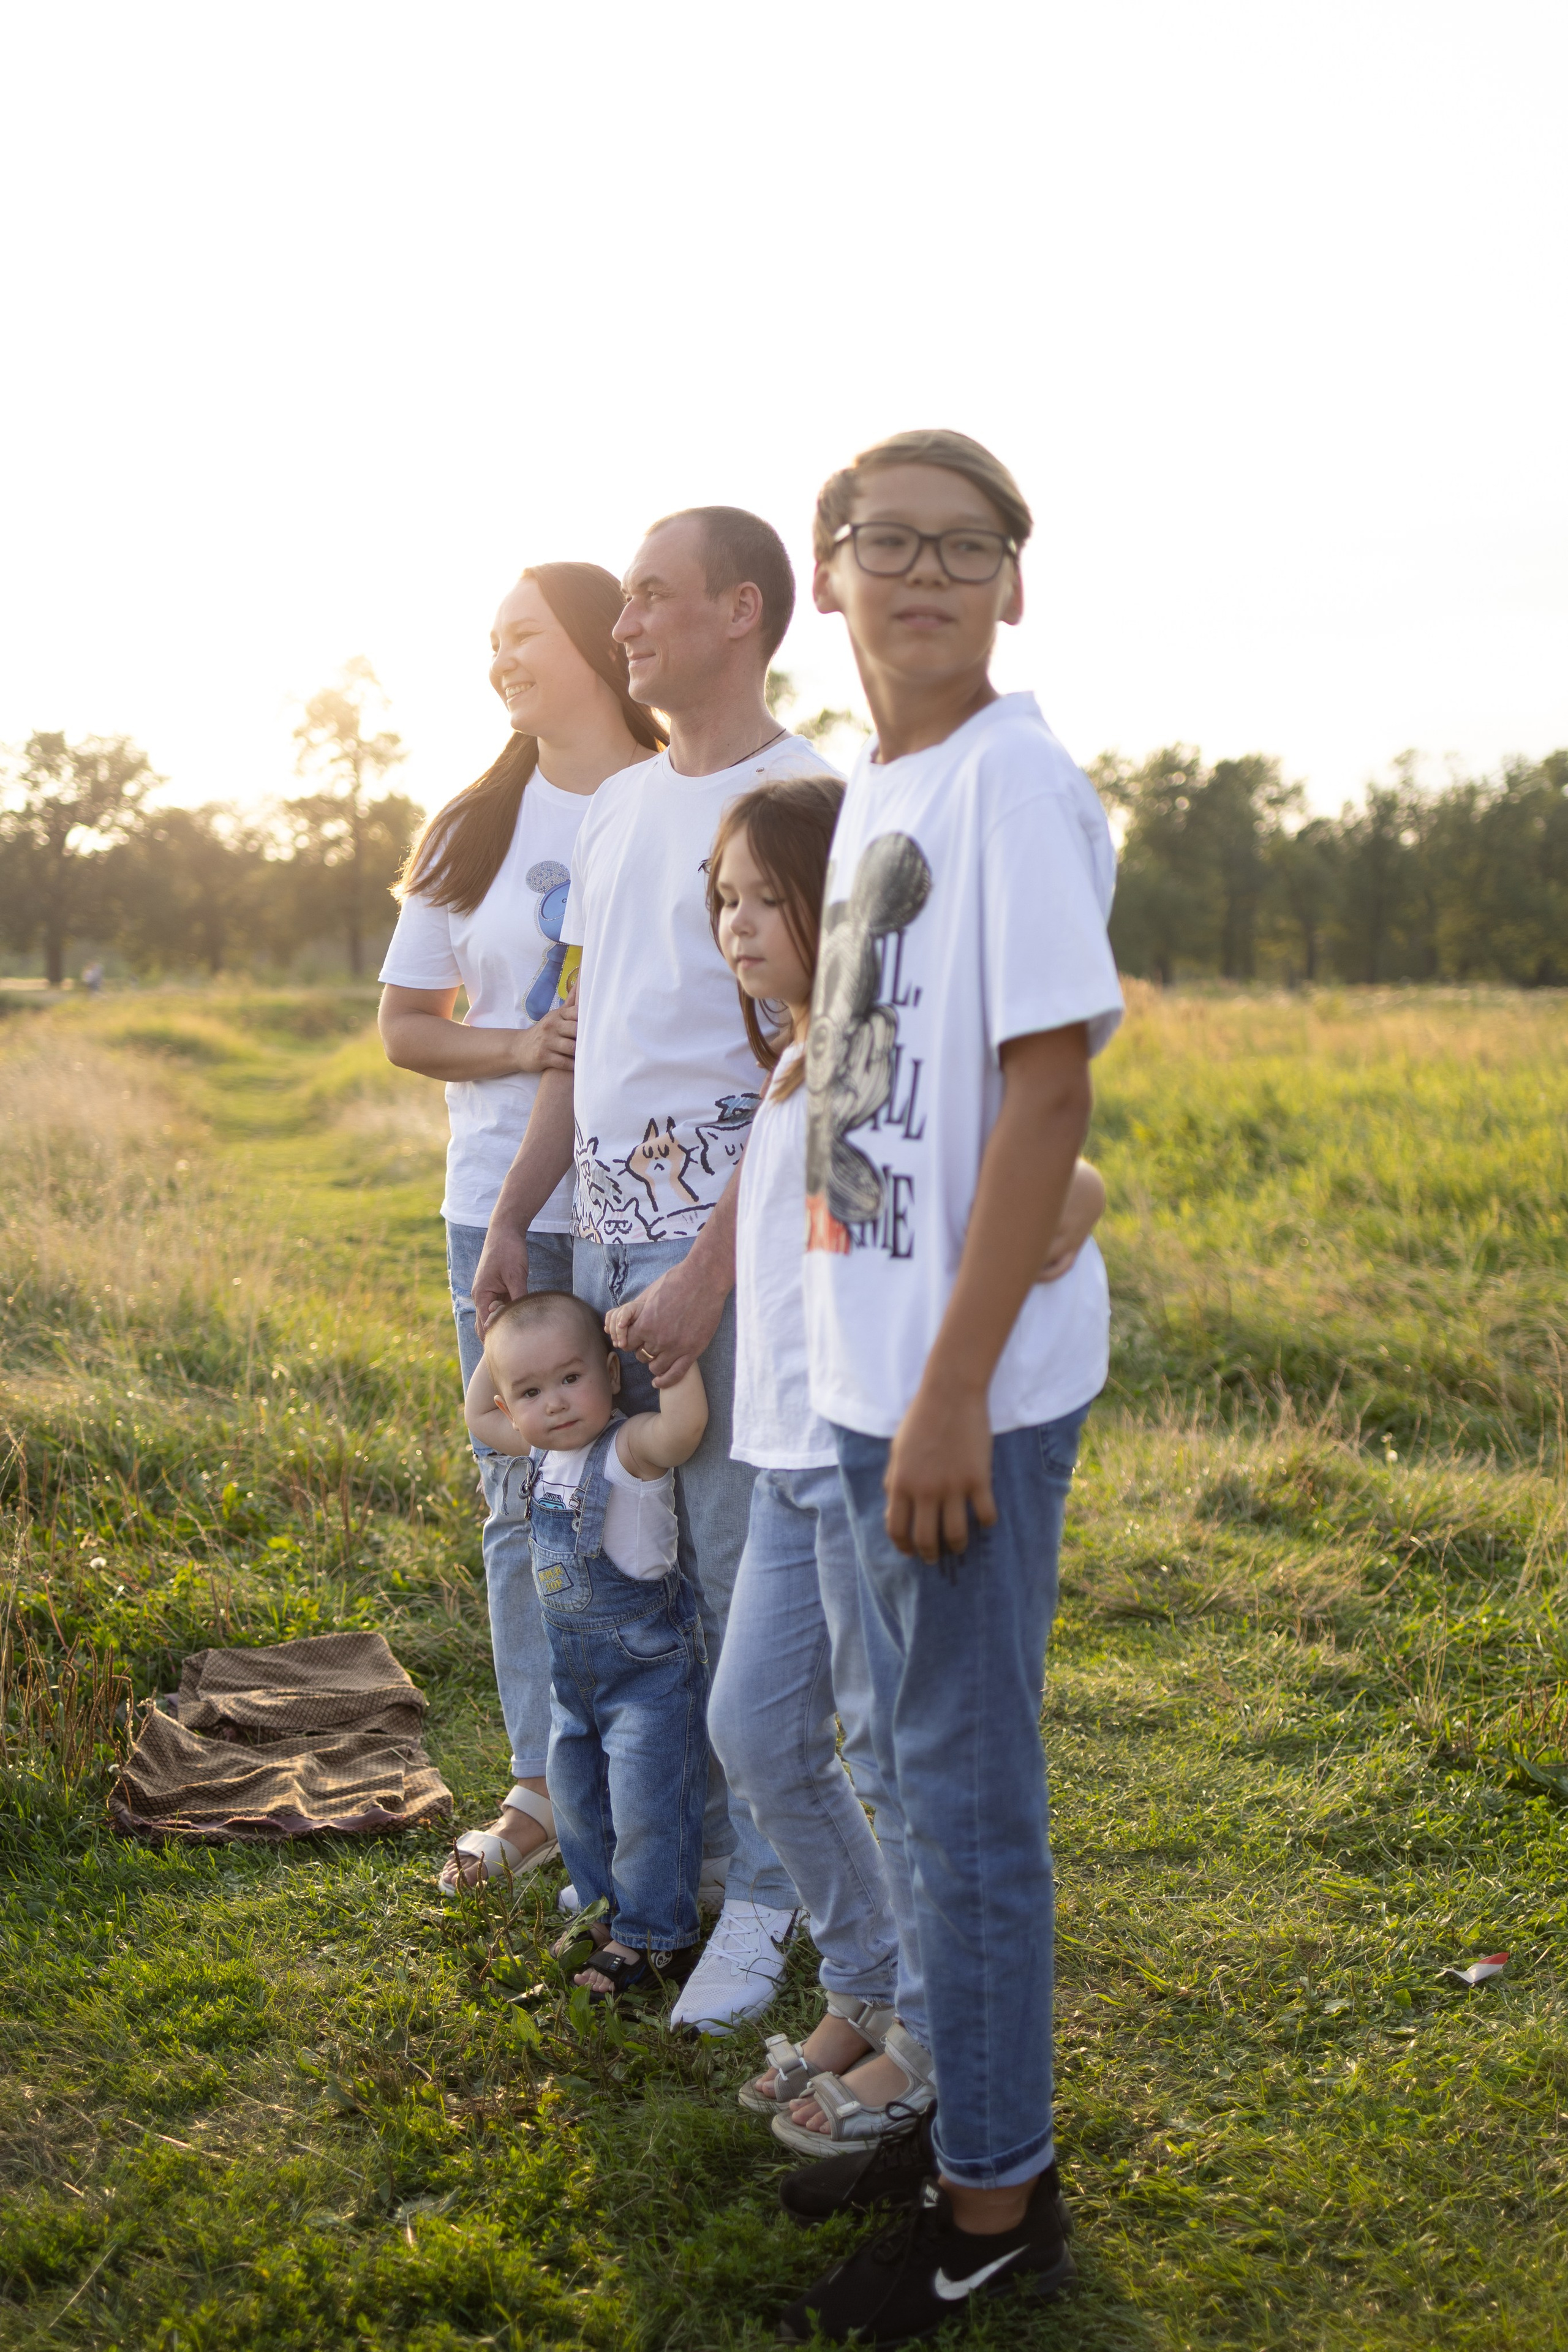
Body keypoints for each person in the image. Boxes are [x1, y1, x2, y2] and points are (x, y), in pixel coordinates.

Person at [774, 430, 1123, 2346]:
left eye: (961, 544)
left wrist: (945, 1393)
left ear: (1011, 579)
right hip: (872, 1371)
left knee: (964, 1796)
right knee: (908, 1762)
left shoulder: (1015, 782)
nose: (921, 570)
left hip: (953, 1396)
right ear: (831, 573)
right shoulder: (883, 782)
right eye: (883, 540)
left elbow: (1051, 1088)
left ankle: (994, 2201)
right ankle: (978, 2125)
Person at [704, 777, 1106, 2169]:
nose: (734, 924)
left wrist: (1078, 1196)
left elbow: (1054, 1166)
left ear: (838, 905)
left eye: (762, 897)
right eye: (723, 900)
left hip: (855, 1451)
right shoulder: (788, 1056)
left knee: (887, 1747)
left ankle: (922, 2037)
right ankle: (866, 1974)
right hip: (776, 1453)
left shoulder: (881, 1046)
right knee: (754, 1731)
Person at [472, 507, 837, 2031]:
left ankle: (767, 1902)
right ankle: (665, 1877)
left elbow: (820, 1048)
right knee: (642, 1582)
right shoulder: (618, 807)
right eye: (617, 604)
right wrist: (516, 1210)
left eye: (647, 600)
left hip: (733, 1248)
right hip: (602, 1231)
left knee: (747, 1584)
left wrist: (708, 1266)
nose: (623, 627)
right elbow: (591, 1037)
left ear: (738, 613)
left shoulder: (816, 793)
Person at [378, 562, 663, 1894]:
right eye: (490, 643)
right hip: (493, 1212)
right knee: (518, 1500)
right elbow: (406, 1026)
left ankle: (673, 1797)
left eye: (524, 637)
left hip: (645, 1214)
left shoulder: (670, 796)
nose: (501, 661)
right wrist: (522, 1044)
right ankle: (544, 1793)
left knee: (653, 1492)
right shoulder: (471, 824)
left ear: (601, 643)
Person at [465, 1290, 709, 1997]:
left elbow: (685, 1428)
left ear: (607, 1372)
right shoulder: (536, 1448)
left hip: (647, 1670)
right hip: (571, 1674)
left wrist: (665, 1358)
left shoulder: (627, 1447)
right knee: (576, 1797)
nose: (558, 1403)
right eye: (532, 1391)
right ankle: (603, 1913)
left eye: (571, 1379)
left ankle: (651, 1937)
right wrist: (492, 1346)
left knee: (643, 1803)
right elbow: (480, 1414)